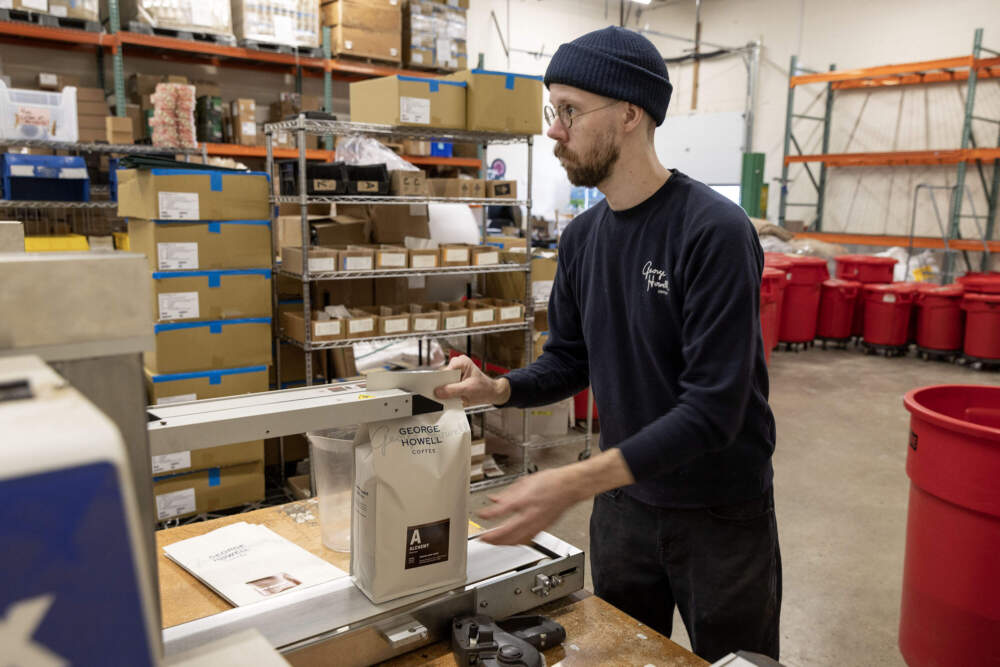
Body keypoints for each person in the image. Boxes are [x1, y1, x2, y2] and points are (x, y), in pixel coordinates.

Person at [434, 26, 781, 663]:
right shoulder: (583, 238)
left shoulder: (714, 232)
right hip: (624, 507)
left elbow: (714, 409)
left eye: (569, 110)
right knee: (625, 655)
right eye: (552, 110)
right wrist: (502, 387)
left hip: (719, 513)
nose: (553, 130)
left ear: (629, 114)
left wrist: (572, 482)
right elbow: (572, 357)